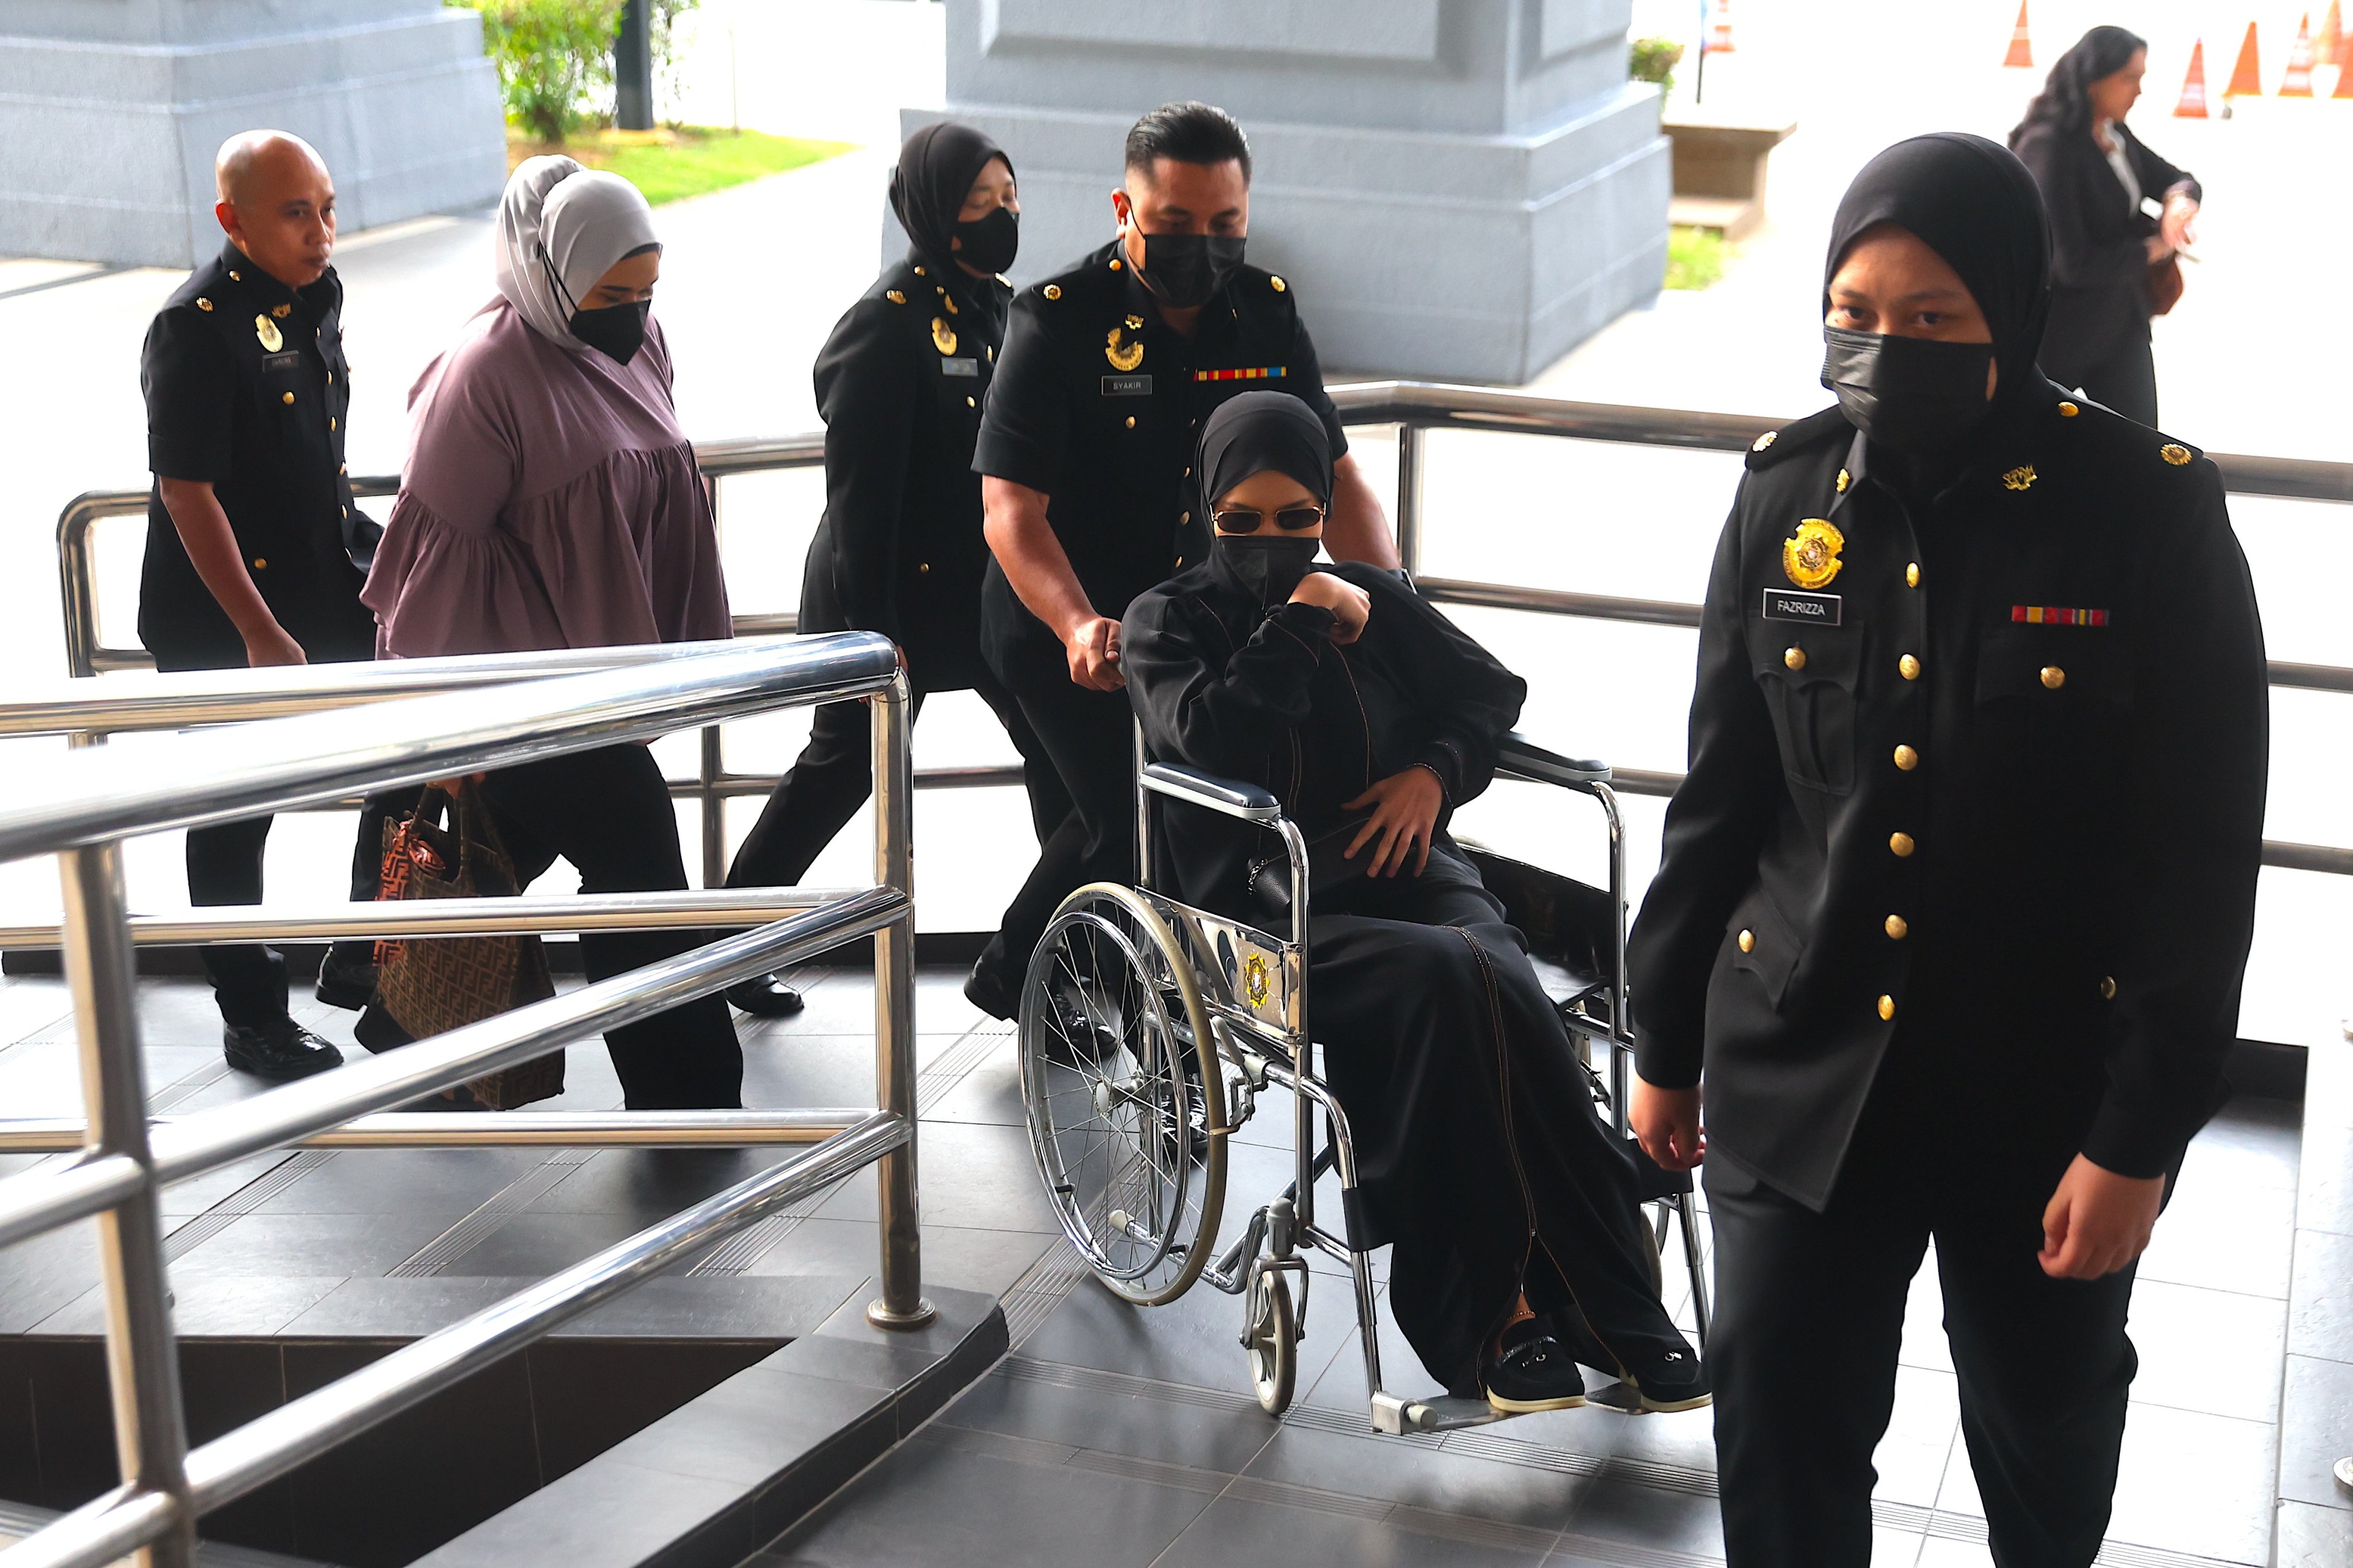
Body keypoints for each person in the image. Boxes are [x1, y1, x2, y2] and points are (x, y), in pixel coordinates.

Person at [1624, 134, 2266, 1567]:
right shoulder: (1786, 493)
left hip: (2038, 1089)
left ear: (2012, 316)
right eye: (1853, 313)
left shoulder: (2145, 505)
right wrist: (1663, 1037)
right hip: (1798, 1062)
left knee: (2046, 1432)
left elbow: (2201, 856)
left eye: (1930, 322)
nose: (1881, 347)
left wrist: (2140, 1134)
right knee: (1780, 1435)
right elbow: (1722, 796)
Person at [1122, 391, 1707, 1412]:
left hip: (1408, 869)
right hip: (1266, 905)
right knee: (1462, 975)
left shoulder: (1371, 598)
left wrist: (1434, 774)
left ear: (1323, 513)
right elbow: (1211, 739)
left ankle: (1585, 1308)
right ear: (1204, 509)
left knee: (1484, 961)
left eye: (1299, 519)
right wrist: (1306, 619)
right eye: (1243, 522)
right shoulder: (1166, 620)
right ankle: (1508, 1307)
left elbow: (1488, 694)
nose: (1274, 544)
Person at [965, 100, 1401, 1020]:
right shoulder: (1056, 322)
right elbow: (1010, 510)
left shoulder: (1266, 314)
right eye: (1174, 224)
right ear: (1123, 211)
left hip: (1193, 630)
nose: (1202, 245)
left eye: (1225, 225)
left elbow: (1342, 470)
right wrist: (1078, 621)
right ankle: (1057, 988)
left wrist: (1391, 595)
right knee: (1125, 815)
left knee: (1136, 814)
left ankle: (1043, 978)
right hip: (1062, 622)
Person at [362, 157, 743, 1110]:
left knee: (512, 851)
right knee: (638, 861)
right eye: (612, 292)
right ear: (552, 270)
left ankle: (394, 1007)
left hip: (608, 671)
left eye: (647, 289)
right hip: (525, 688)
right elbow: (433, 561)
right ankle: (689, 1093)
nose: (633, 310)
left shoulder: (640, 343)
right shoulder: (484, 376)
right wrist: (456, 731)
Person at [719, 122, 1068, 1018]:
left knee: (1060, 754)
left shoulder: (1000, 306)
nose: (1005, 216)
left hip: (976, 594)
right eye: (981, 203)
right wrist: (875, 642)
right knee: (843, 770)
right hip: (879, 593)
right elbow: (863, 507)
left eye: (1011, 196)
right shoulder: (882, 329)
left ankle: (1058, 965)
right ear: (932, 212)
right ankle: (726, 947)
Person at [139, 130, 407, 1083]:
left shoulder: (312, 298)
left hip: (318, 579)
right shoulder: (196, 326)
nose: (322, 230)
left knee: (416, 754)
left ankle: (366, 959)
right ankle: (252, 1015)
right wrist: (258, 631)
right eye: (298, 213)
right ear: (233, 221)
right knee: (233, 818)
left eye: (328, 208)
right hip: (227, 616)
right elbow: (187, 492)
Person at [2010, 26, 2201, 427]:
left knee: (2144, 450)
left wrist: (2178, 204)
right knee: (2028, 453)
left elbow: (2177, 178)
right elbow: (2071, 263)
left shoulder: (2115, 134)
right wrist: (2155, 249)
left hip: (2121, 323)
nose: (2139, 91)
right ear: (2094, 79)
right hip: (2060, 336)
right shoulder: (2049, 147)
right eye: (2130, 78)